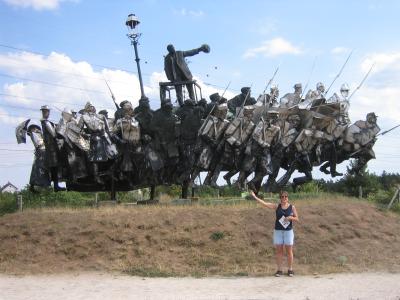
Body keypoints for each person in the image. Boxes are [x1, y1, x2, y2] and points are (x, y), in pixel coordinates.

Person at [250, 190, 299, 277]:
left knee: (289, 251)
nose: (284, 198)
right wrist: (254, 196)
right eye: (282, 197)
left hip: (288, 231)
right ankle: (279, 270)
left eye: (285, 197)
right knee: (279, 251)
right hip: (278, 231)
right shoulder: (277, 206)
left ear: (288, 198)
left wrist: (290, 217)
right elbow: (265, 204)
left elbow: (297, 218)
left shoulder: (292, 207)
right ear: (280, 198)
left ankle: (290, 269)